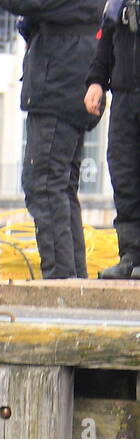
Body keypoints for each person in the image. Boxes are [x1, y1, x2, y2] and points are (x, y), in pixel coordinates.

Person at [0, 0, 102, 279]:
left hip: (59, 84)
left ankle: (61, 280)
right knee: (61, 187)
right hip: (71, 78)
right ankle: (73, 280)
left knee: (45, 184)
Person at [87, 0, 140, 278]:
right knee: (124, 176)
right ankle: (131, 256)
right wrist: (96, 80)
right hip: (124, 97)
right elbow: (106, 36)